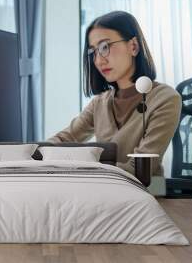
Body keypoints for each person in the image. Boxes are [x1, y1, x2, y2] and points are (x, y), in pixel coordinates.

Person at [47, 11, 182, 176]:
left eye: (105, 47)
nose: (98, 60)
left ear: (133, 46)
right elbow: (63, 139)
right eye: (93, 52)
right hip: (102, 189)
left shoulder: (165, 98)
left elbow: (139, 169)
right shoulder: (100, 103)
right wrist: (31, 154)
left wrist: (81, 164)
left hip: (140, 195)